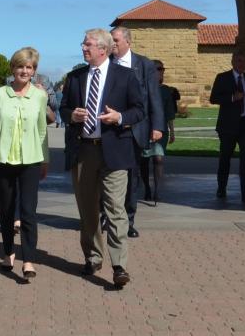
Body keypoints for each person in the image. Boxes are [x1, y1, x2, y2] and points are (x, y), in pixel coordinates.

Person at [60, 28, 143, 289]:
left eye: (88, 45)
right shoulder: (75, 77)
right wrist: (72, 115)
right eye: (83, 44)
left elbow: (139, 110)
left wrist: (119, 117)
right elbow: (62, 108)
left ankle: (119, 266)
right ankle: (93, 257)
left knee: (115, 208)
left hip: (115, 151)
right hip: (83, 151)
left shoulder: (126, 76)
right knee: (87, 210)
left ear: (103, 50)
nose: (83, 48)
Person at [0, 47, 49, 281]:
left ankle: (28, 260)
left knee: (28, 211)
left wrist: (45, 159)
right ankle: (8, 251)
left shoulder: (39, 96)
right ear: (13, 69)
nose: (24, 71)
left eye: (29, 67)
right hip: (3, 160)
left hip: (30, 160)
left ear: (34, 71)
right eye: (20, 66)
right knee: (7, 211)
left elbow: (42, 129)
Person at [110, 26, 164, 238]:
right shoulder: (106, 64)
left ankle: (128, 220)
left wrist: (157, 126)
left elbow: (153, 96)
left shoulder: (144, 65)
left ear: (127, 42)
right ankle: (109, 217)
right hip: (110, 130)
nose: (112, 43)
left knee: (132, 177)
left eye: (115, 40)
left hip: (136, 129)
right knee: (109, 175)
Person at [210, 50, 245, 204]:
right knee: (225, 158)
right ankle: (221, 188)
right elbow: (213, 98)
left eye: (244, 61)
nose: (242, 64)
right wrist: (232, 97)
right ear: (232, 62)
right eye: (239, 60)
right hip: (228, 126)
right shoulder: (222, 78)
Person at [142, 60, 179, 204]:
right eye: (157, 69)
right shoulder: (141, 89)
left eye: (162, 69)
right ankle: (146, 188)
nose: (160, 71)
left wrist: (172, 131)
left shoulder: (166, 91)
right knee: (144, 160)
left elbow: (169, 113)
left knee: (158, 158)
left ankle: (157, 190)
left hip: (161, 130)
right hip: (145, 130)